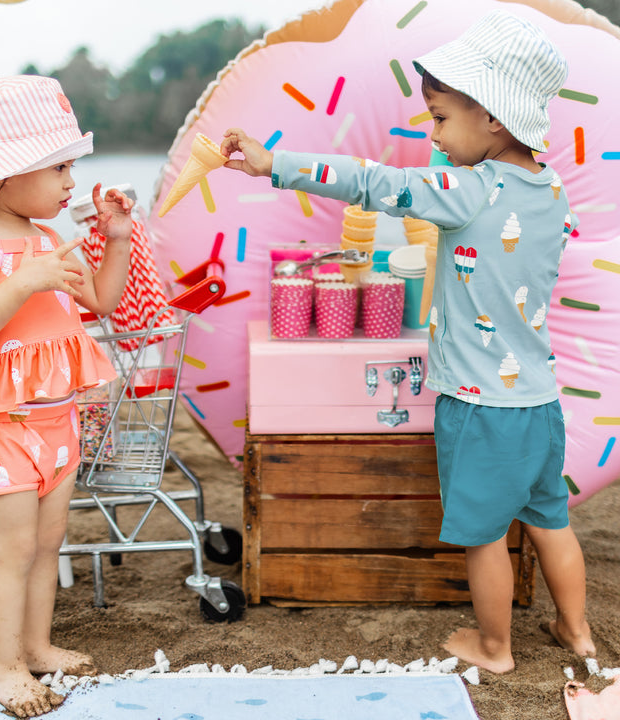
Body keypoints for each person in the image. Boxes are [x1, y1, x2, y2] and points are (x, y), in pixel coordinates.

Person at [220, 11, 595, 673]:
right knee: (550, 521)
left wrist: (274, 163)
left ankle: (495, 648)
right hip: (540, 400)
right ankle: (579, 632)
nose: (434, 134)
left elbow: (373, 182)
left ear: (495, 119)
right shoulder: (553, 190)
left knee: (483, 538)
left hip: (480, 409)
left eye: (442, 118)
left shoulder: (469, 190)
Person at [0, 75, 133, 717]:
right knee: (14, 551)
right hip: (6, 426)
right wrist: (22, 284)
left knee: (49, 545)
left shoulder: (48, 240)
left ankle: (39, 645)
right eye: (60, 167)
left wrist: (120, 238)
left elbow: (102, 302)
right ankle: (6, 667)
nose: (71, 181)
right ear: (6, 172)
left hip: (60, 423)